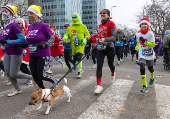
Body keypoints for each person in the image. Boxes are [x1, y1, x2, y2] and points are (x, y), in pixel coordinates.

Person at [0, 5, 33, 96]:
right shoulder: (5, 25)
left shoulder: (14, 25)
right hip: (7, 52)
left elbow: (22, 39)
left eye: (5, 11)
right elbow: (4, 38)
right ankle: (17, 89)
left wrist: (8, 41)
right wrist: (3, 43)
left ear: (11, 13)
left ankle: (32, 78)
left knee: (13, 74)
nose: (3, 13)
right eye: (2, 11)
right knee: (7, 72)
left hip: (16, 52)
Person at [25, 5, 58, 89]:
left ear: (37, 14)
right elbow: (30, 39)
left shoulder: (43, 25)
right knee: (34, 74)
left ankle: (54, 81)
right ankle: (42, 89)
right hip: (32, 54)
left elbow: (52, 38)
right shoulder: (30, 26)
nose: (29, 15)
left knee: (40, 75)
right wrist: (25, 44)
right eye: (28, 13)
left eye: (31, 13)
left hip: (43, 53)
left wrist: (45, 44)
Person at [94, 9, 116, 94]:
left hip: (110, 47)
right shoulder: (100, 25)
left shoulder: (111, 23)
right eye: (101, 13)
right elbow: (101, 35)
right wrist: (99, 39)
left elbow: (114, 37)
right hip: (101, 47)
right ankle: (98, 85)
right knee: (99, 65)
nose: (102, 14)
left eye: (104, 13)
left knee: (110, 64)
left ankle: (113, 73)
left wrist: (105, 39)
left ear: (108, 15)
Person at [63, 13, 90, 79]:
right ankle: (80, 69)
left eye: (75, 18)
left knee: (78, 57)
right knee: (75, 58)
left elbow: (88, 35)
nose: (74, 20)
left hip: (80, 44)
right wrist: (65, 37)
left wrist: (85, 39)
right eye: (73, 18)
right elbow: (66, 34)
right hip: (73, 45)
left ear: (78, 18)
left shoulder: (83, 26)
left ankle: (79, 71)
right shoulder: (70, 27)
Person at [135, 17, 155, 93]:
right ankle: (144, 86)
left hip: (149, 54)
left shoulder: (150, 34)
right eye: (142, 24)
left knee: (150, 68)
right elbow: (138, 44)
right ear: (140, 25)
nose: (143, 25)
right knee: (142, 69)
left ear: (148, 25)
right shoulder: (138, 34)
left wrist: (145, 42)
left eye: (145, 24)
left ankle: (152, 77)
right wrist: (136, 49)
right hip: (142, 54)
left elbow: (153, 44)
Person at [16, 18, 34, 85]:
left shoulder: (27, 31)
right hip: (19, 50)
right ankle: (30, 78)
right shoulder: (17, 31)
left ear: (23, 24)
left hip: (26, 51)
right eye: (16, 23)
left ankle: (30, 78)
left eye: (19, 23)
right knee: (23, 66)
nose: (17, 25)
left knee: (22, 66)